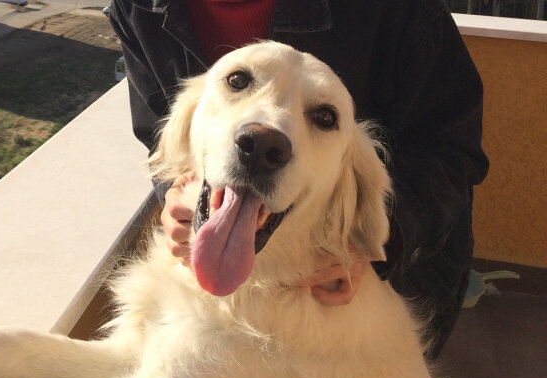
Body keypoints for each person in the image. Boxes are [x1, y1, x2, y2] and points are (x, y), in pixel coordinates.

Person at [107, 0, 489, 358]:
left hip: (380, 278)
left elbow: (451, 148)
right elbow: (160, 127)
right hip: (237, 281)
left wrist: (374, 242)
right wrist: (176, 193)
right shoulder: (136, 5)